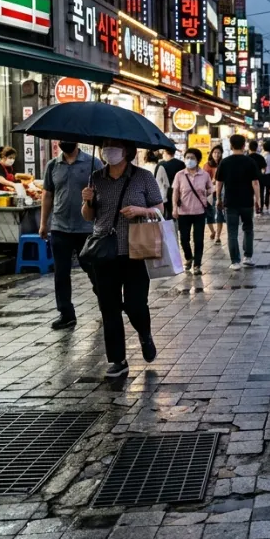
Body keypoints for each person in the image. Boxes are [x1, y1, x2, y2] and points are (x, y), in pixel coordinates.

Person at [80, 139, 163, 379]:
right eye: (105, 145)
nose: (108, 150)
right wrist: (87, 200)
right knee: (109, 308)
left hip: (136, 250)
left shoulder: (143, 177)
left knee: (135, 304)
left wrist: (141, 211)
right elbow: (88, 216)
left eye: (113, 146)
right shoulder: (95, 177)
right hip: (104, 251)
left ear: (126, 150)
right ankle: (117, 359)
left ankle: (144, 334)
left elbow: (160, 210)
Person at [39, 141, 102, 330]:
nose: (63, 142)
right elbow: (48, 194)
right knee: (61, 273)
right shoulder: (52, 165)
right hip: (60, 227)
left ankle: (106, 303)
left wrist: (93, 197)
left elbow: (104, 192)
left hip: (86, 228)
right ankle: (66, 314)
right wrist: (44, 223)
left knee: (93, 270)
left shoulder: (93, 163)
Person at [217, 134, 262, 270]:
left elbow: (219, 183)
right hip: (247, 201)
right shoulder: (250, 162)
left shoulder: (224, 162)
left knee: (232, 232)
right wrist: (258, 199)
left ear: (231, 146)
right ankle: (247, 257)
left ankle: (235, 261)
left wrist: (218, 198)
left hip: (230, 202)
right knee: (248, 229)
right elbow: (255, 182)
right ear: (244, 146)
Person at [173, 148, 212, 274]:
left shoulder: (204, 175)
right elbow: (175, 192)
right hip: (183, 212)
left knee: (198, 239)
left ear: (198, 160)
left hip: (199, 212)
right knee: (184, 238)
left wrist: (208, 196)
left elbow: (210, 189)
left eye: (192, 158)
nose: (189, 160)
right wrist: (174, 207)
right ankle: (189, 258)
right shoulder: (180, 175)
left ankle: (197, 264)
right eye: (187, 157)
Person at [203, 144, 225, 244]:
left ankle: (218, 236)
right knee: (209, 214)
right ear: (211, 154)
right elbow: (203, 180)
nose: (216, 154)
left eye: (218, 153)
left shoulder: (223, 164)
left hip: (220, 193)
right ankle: (212, 231)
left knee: (219, 214)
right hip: (209, 193)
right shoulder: (207, 165)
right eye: (215, 152)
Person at [158, 147, 184, 219]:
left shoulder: (161, 165)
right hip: (181, 192)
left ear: (165, 152)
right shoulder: (181, 164)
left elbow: (157, 182)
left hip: (165, 195)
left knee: (167, 217)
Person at [247, 140, 269, 214]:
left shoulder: (247, 158)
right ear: (256, 148)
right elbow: (264, 168)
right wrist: (261, 173)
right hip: (259, 178)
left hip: (248, 179)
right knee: (261, 193)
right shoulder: (260, 157)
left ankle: (250, 208)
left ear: (249, 148)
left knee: (249, 193)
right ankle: (260, 208)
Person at [259, 142, 270, 212]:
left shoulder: (261, 155)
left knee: (261, 191)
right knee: (268, 191)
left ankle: (261, 205)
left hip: (262, 175)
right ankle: (267, 204)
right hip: (269, 175)